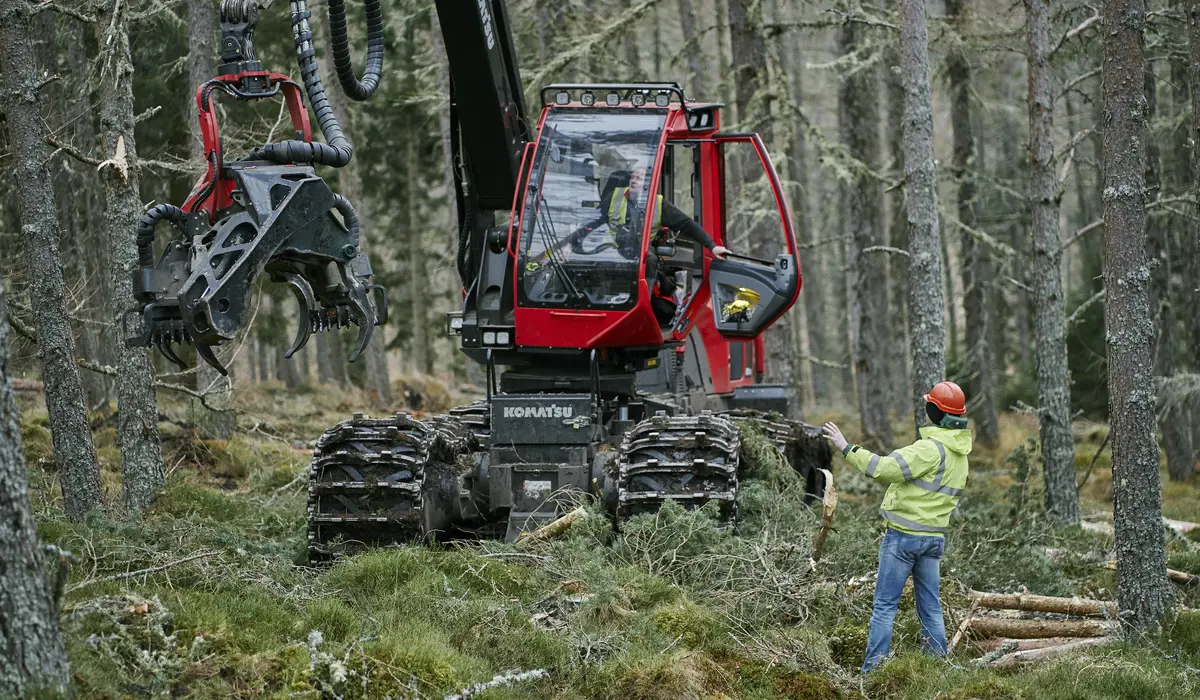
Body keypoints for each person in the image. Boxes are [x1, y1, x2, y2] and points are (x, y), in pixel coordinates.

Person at [821, 381, 973, 673]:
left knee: (885, 606)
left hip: (903, 540)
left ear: (934, 411)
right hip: (933, 542)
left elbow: (884, 468)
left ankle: (872, 671)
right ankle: (935, 667)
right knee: (930, 607)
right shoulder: (960, 457)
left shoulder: (928, 449)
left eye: (929, 405)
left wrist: (846, 447)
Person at [568, 168, 731, 325]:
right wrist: (570, 243)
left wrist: (712, 246)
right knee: (598, 260)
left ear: (648, 183)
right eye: (633, 177)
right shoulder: (615, 197)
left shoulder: (658, 204)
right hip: (611, 248)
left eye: (638, 178)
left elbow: (686, 224)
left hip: (641, 251)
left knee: (650, 260)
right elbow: (591, 222)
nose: (633, 180)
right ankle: (599, 305)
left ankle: (642, 308)